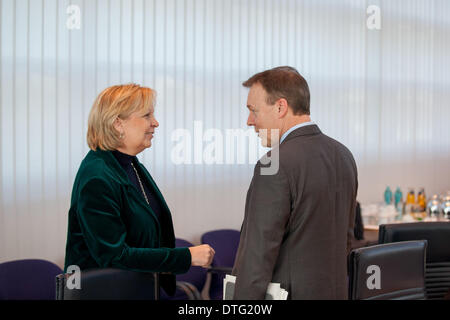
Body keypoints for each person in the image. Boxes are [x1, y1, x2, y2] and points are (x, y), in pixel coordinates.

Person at [64, 84, 215, 297]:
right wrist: (186, 257)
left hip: (136, 289)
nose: (155, 122)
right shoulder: (97, 175)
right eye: (147, 115)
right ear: (118, 123)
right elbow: (114, 256)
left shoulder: (130, 164)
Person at [232, 67, 358, 299]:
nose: (250, 121)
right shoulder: (344, 155)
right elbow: (346, 241)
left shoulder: (274, 164)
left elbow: (257, 257)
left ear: (280, 107)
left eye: (253, 111)